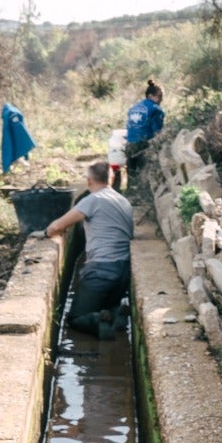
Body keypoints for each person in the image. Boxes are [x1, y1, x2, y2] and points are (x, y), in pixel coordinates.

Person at [45, 162, 135, 337]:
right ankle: (116, 315)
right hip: (124, 272)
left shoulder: (93, 200)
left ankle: (100, 321)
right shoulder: (124, 202)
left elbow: (57, 227)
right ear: (112, 178)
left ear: (88, 181)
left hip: (101, 270)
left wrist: (45, 232)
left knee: (75, 319)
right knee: (105, 305)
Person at [124, 79, 166, 180]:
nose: (161, 100)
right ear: (150, 96)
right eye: (159, 96)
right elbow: (158, 132)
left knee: (133, 176)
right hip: (144, 146)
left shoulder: (133, 108)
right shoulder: (155, 109)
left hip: (129, 145)